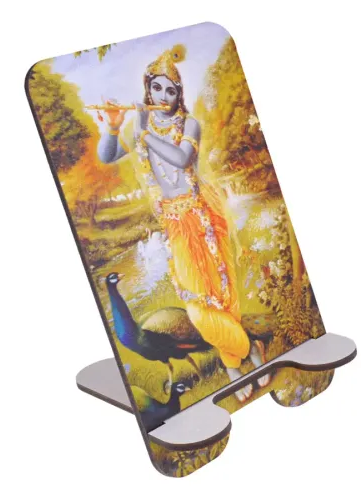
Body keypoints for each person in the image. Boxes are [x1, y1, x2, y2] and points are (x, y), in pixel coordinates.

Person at [97, 44, 270, 402]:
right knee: (196, 306)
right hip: (175, 225)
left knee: (222, 297)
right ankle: (248, 345)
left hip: (203, 218)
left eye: (171, 90)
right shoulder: (140, 124)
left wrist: (144, 134)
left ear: (179, 95)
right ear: (148, 89)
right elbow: (108, 155)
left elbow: (180, 158)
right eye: (156, 88)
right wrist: (114, 128)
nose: (163, 96)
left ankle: (232, 363)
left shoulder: (188, 124)